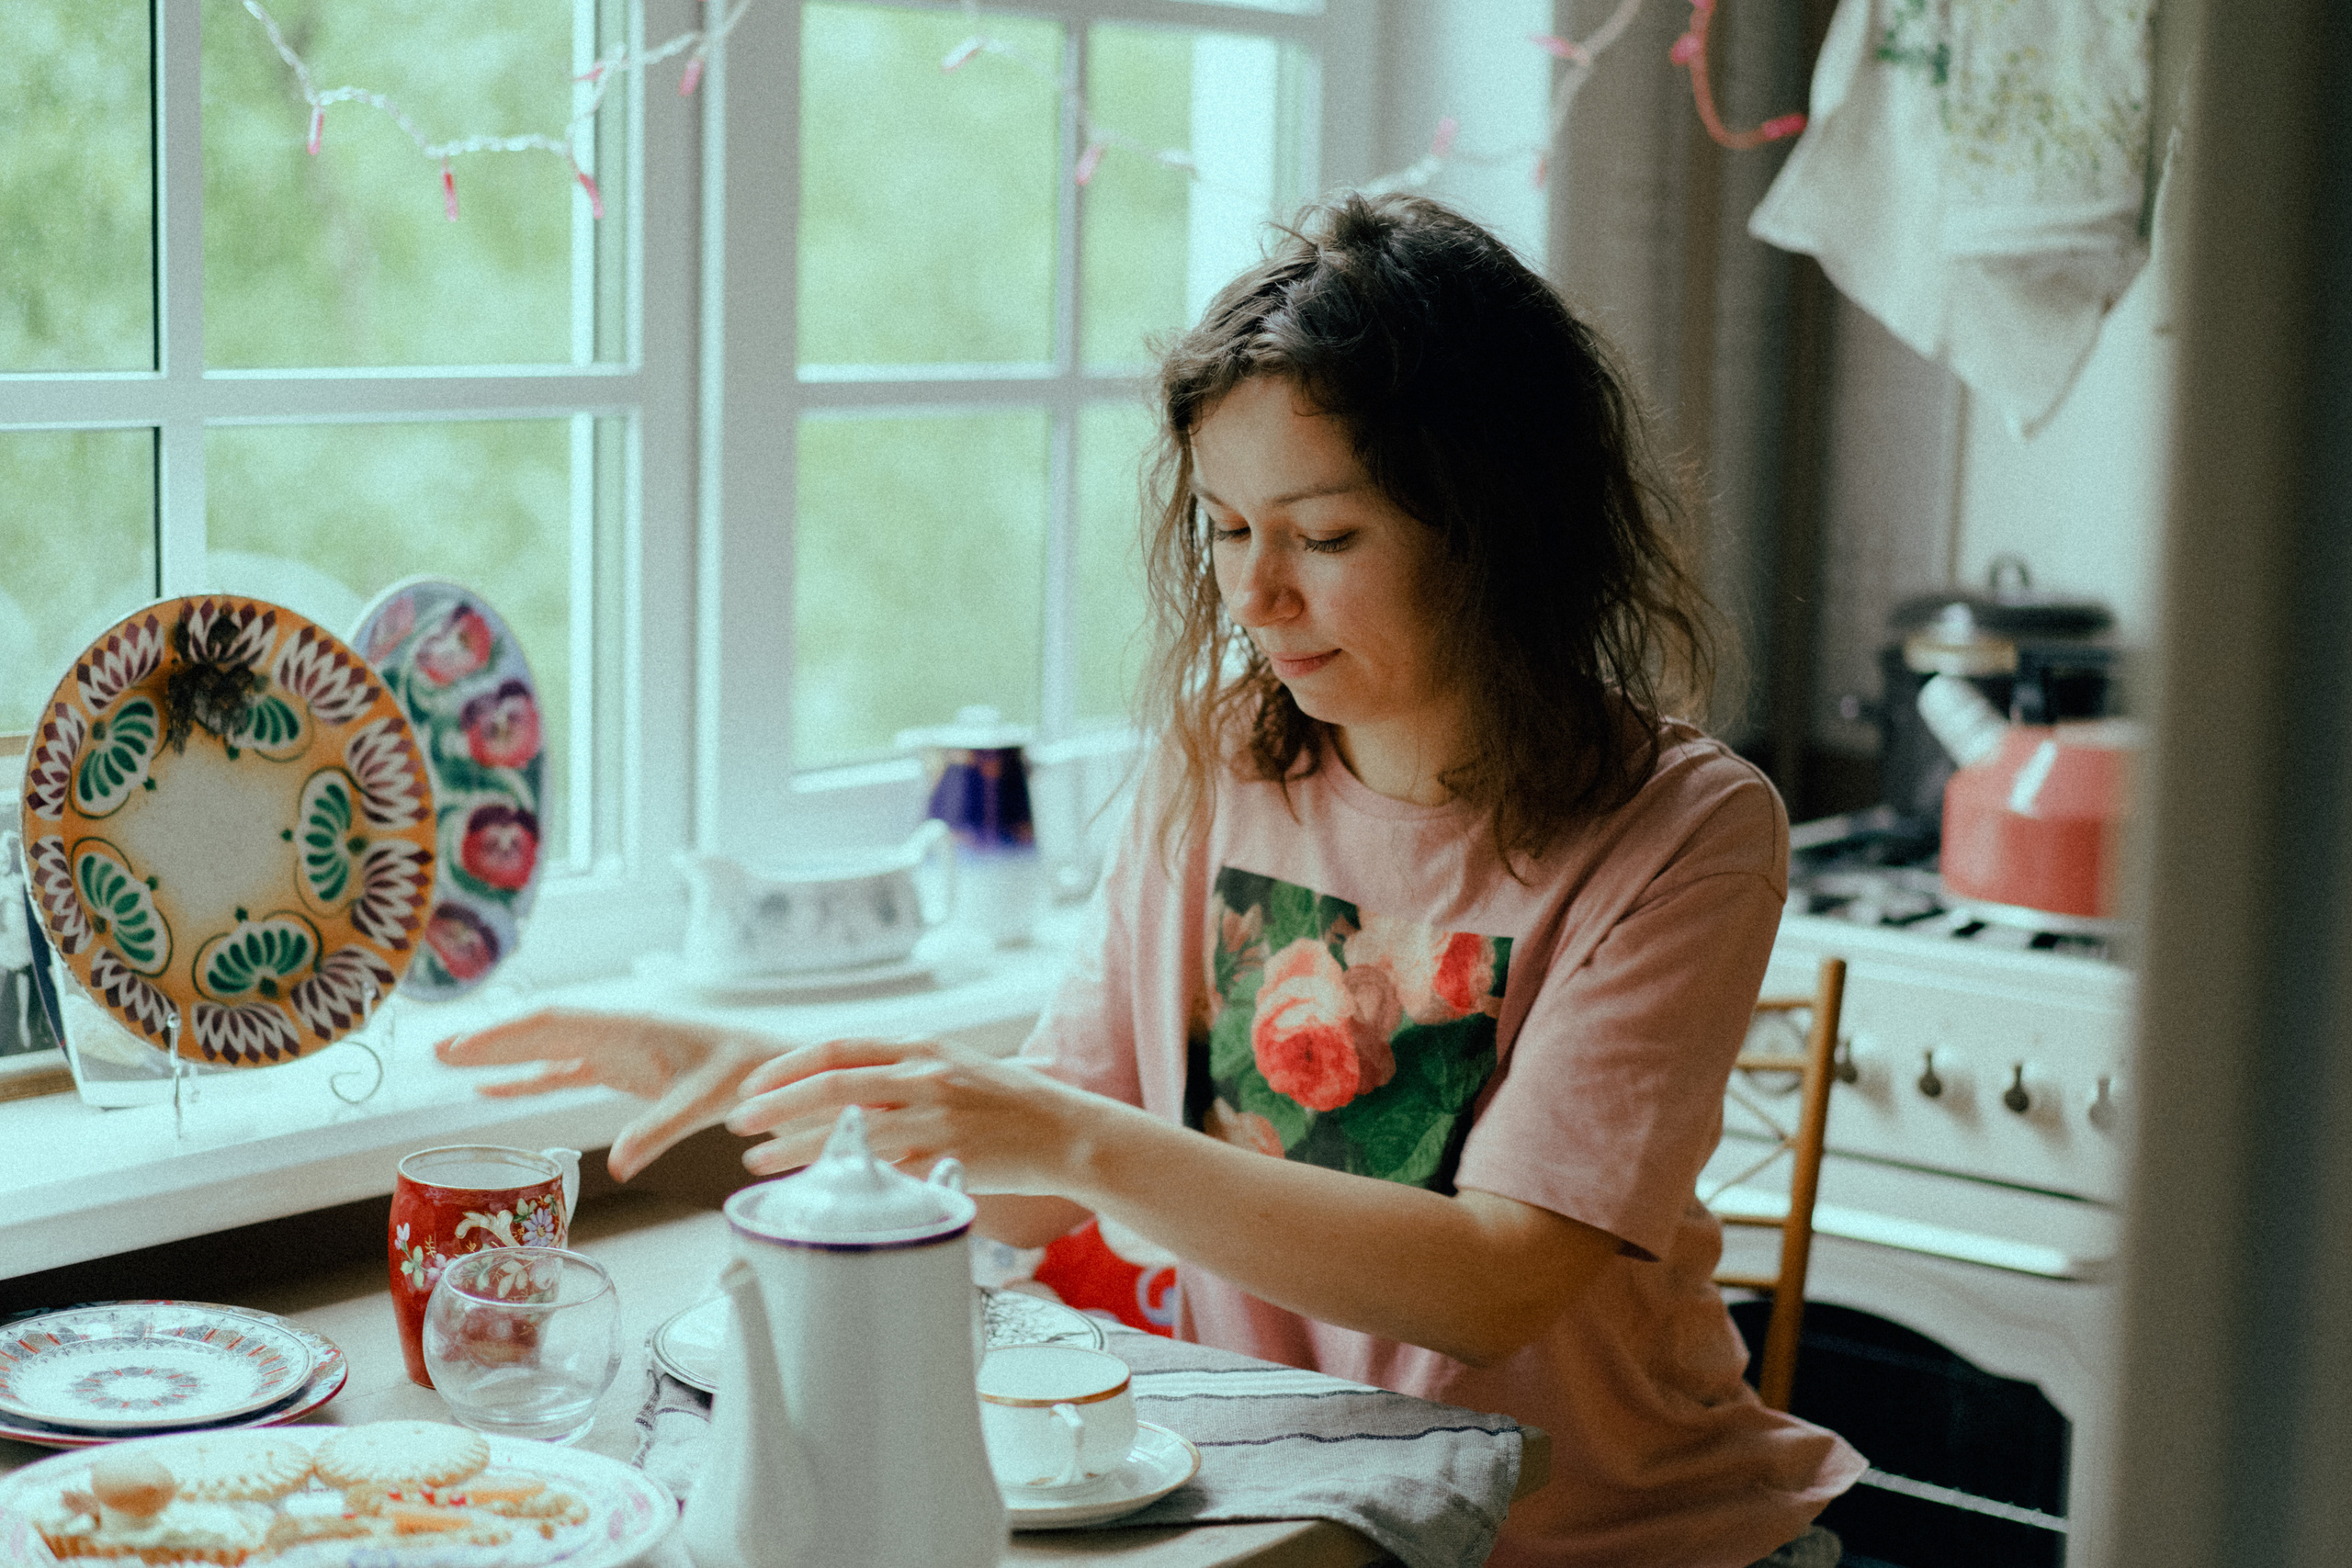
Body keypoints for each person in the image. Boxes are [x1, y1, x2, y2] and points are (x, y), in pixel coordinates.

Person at [439, 193, 1862, 1567]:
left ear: (1498, 524)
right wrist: (789, 1074)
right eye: (1227, 529)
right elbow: (1028, 1199)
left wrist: (1066, 1139)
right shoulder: (1224, 766)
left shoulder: (1682, 827)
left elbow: (1493, 1279)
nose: (1255, 598)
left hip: (1615, 1540)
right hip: (1306, 1509)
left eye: (1324, 536)